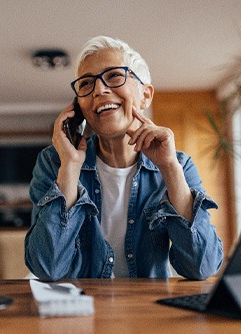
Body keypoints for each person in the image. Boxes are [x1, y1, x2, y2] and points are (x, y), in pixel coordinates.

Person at [24, 35, 223, 281]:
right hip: (78, 310)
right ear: (79, 107)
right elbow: (46, 267)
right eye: (86, 84)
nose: (99, 90)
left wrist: (169, 167)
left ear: (146, 95)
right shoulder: (54, 163)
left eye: (115, 76)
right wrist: (70, 167)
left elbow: (202, 267)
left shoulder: (179, 165)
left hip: (147, 312)